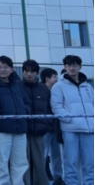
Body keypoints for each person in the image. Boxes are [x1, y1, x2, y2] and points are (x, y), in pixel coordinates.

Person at [0, 55, 31, 185]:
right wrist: (2, 111)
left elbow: (27, 103)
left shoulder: (18, 85)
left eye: (5, 67)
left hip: (20, 129)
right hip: (1, 130)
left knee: (20, 163)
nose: (2, 69)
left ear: (12, 69)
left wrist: (24, 112)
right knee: (1, 163)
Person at [51, 55, 94, 185]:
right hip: (70, 130)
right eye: (69, 65)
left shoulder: (88, 86)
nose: (72, 68)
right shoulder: (58, 86)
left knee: (90, 162)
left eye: (75, 65)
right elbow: (56, 106)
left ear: (80, 67)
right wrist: (70, 120)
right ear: (65, 67)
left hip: (89, 129)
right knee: (71, 162)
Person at [20, 60, 53, 185]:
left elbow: (50, 108)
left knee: (39, 163)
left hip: (39, 132)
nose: (29, 74)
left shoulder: (44, 89)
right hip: (22, 132)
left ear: (37, 73)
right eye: (26, 71)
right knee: (23, 163)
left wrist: (47, 122)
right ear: (23, 72)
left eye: (32, 71)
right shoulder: (17, 86)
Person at [40, 67, 64, 185]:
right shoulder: (41, 91)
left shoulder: (57, 90)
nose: (56, 79)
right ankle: (41, 175)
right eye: (54, 77)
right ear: (47, 78)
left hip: (56, 127)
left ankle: (58, 177)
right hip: (45, 128)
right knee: (43, 154)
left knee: (56, 154)